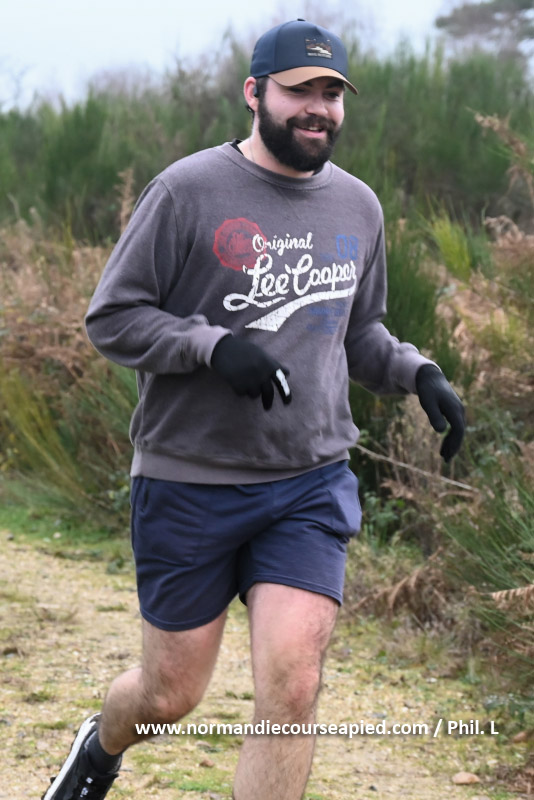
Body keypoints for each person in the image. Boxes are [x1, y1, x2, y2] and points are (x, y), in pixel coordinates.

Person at [41, 18, 465, 800]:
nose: (318, 108)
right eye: (300, 90)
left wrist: (420, 373)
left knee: (294, 685)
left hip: (308, 481)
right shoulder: (187, 191)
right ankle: (99, 749)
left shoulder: (358, 206)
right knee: (169, 697)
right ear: (254, 93)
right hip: (189, 480)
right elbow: (113, 318)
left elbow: (359, 332)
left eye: (331, 92)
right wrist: (210, 347)